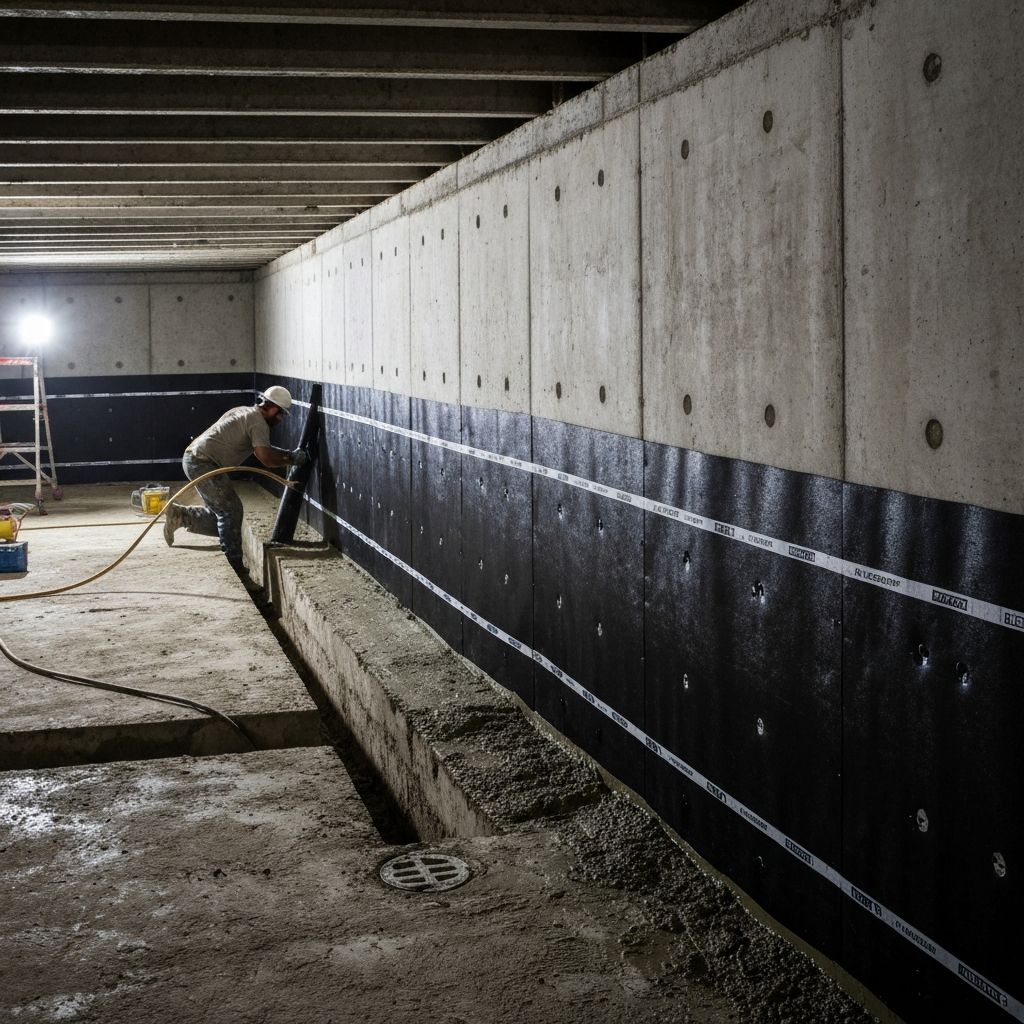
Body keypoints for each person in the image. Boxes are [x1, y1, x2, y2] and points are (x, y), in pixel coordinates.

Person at [162, 385, 307, 565]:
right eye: (280, 414)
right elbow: (266, 458)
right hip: (202, 463)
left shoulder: (245, 412)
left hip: (196, 458)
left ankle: (181, 516)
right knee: (231, 511)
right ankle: (236, 565)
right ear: (272, 407)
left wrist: (288, 455)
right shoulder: (259, 423)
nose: (280, 419)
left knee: (225, 515)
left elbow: (261, 450)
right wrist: (291, 458)